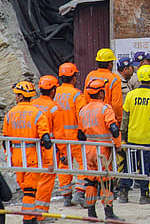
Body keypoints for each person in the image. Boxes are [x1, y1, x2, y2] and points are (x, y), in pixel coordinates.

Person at [3, 82, 51, 224]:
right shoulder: (38, 114)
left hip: (18, 158)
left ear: (20, 96)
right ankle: (28, 219)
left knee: (27, 191)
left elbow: (6, 141)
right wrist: (49, 161)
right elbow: (46, 139)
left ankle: (31, 218)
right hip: (33, 158)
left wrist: (9, 157)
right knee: (30, 192)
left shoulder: (10, 114)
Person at [77, 79, 123, 220]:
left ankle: (91, 214)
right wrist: (118, 145)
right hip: (103, 150)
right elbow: (113, 128)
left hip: (88, 149)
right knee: (106, 181)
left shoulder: (83, 110)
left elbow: (80, 134)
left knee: (91, 182)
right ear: (101, 93)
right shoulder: (105, 108)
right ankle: (109, 214)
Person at [119, 65, 150, 204]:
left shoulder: (131, 95)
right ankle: (144, 195)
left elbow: (125, 117)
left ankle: (123, 193)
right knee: (145, 167)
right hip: (147, 138)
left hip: (132, 137)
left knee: (129, 165)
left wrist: (123, 135)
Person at [54, 62, 87, 207]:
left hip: (59, 136)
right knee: (83, 163)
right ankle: (79, 192)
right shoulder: (77, 95)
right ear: (73, 77)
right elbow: (82, 115)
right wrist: (82, 131)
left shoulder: (53, 94)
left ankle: (66, 196)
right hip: (75, 135)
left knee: (63, 165)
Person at [31, 76, 63, 222]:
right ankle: (41, 215)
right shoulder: (55, 108)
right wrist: (64, 152)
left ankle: (31, 212)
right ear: (53, 90)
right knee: (46, 182)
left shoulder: (32, 104)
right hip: (49, 151)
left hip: (31, 150)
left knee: (32, 181)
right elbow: (59, 135)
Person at [84, 48, 123, 125]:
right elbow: (116, 105)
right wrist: (118, 120)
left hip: (90, 118)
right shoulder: (114, 79)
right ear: (110, 64)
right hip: (107, 119)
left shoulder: (90, 76)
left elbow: (85, 98)